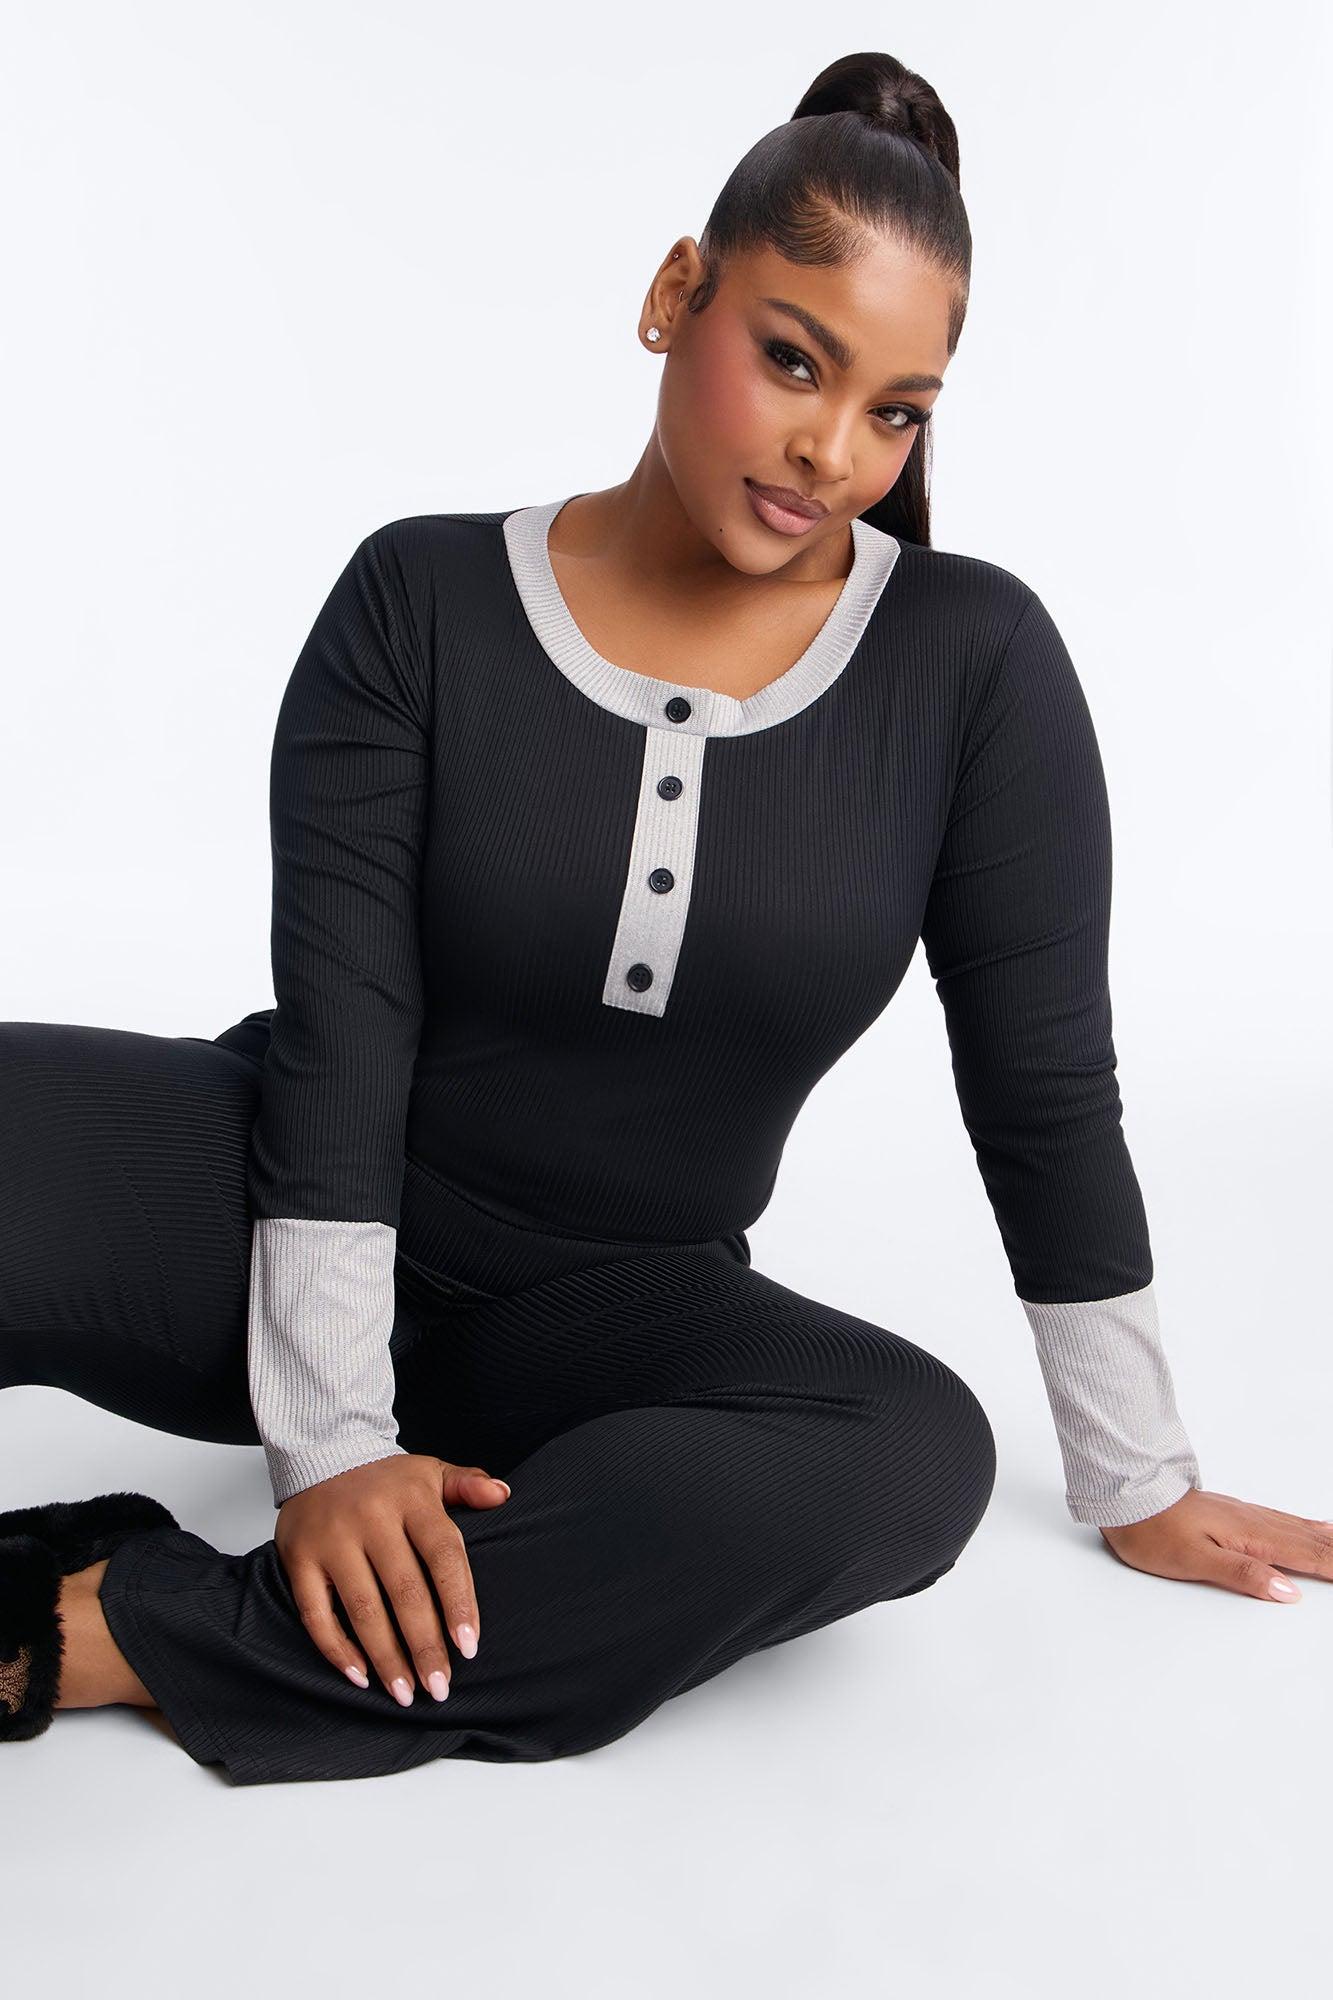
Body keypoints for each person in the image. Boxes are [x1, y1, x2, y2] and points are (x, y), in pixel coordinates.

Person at [3, 48, 1326, 1784]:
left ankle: (102, 1630)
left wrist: (1134, 1474)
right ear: (672, 293)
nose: (830, 452)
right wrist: (331, 1448)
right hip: (271, 1209)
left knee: (904, 1457)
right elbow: (341, 1042)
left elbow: (1045, 1092)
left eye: (895, 410)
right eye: (792, 359)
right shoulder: (419, 597)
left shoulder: (970, 664)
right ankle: (308, 1570)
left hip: (604, 1327)